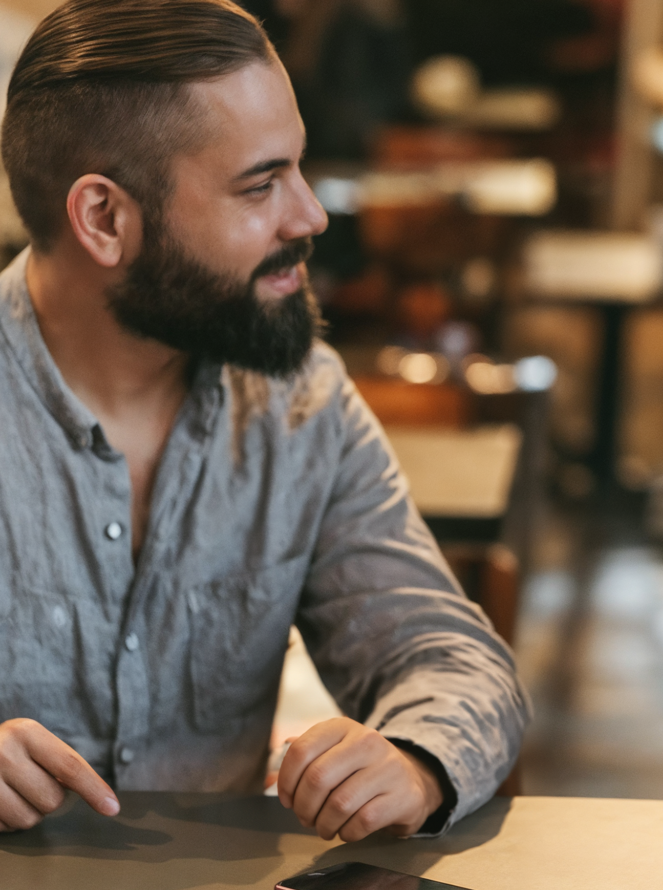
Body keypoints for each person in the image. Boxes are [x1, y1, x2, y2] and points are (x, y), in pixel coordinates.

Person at [0, 0, 528, 841]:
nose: (310, 216)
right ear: (104, 218)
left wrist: (415, 760)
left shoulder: (300, 404)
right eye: (260, 184)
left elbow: (448, 658)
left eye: (300, 170)